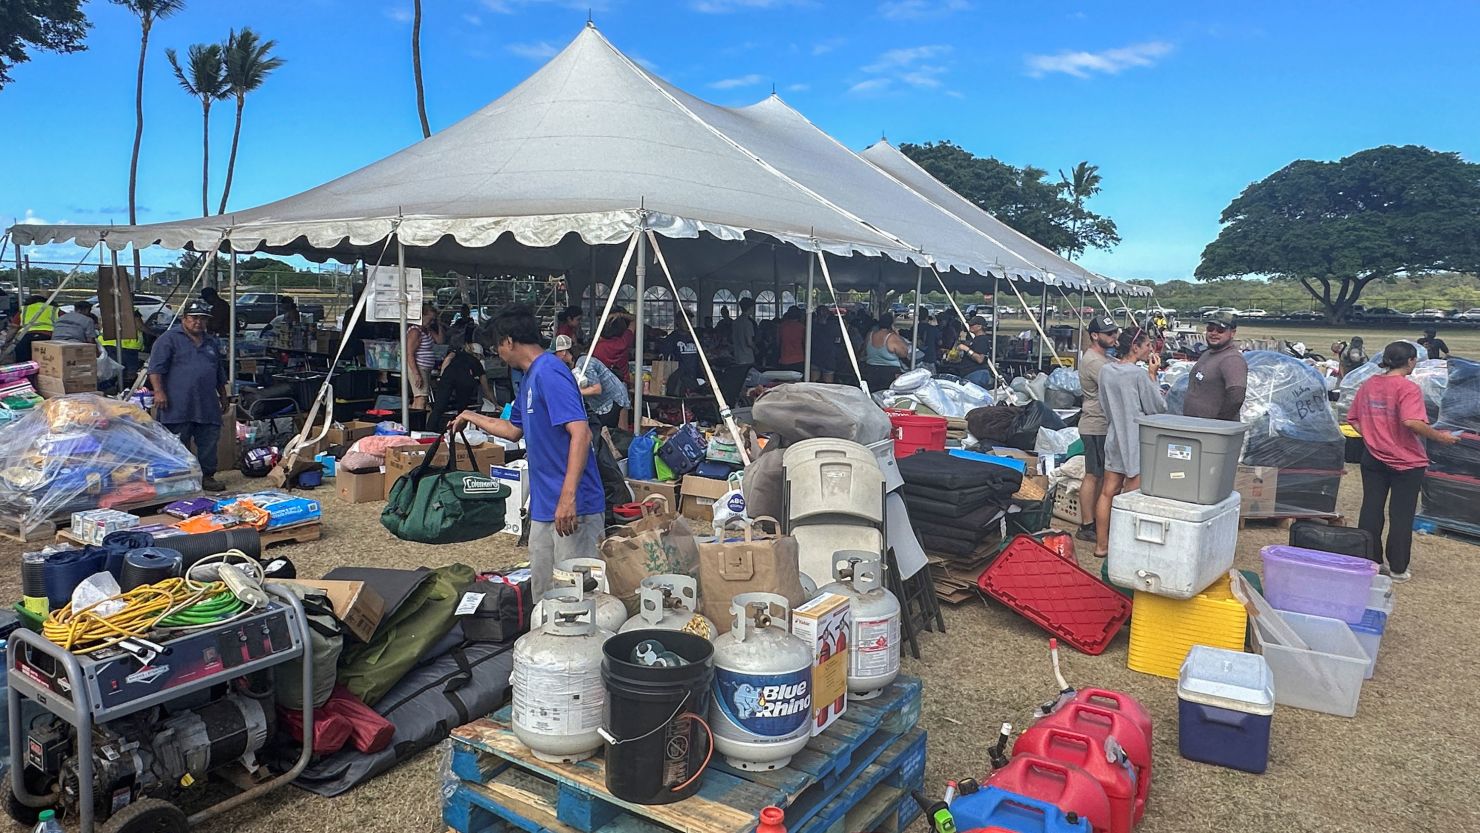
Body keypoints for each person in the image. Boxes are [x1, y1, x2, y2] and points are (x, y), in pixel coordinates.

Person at [452, 305, 604, 598]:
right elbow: (513, 430)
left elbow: (581, 433)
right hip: (545, 506)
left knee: (577, 598)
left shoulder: (551, 372)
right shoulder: (530, 377)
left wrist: (568, 497)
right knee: (545, 594)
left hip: (574, 505)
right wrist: (471, 417)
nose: (497, 353)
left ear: (509, 341)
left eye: (497, 345)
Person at [1348, 341, 1458, 582]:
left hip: (1373, 457)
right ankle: (1398, 568)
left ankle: (1369, 561)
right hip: (1406, 461)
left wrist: (1374, 436)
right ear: (1410, 361)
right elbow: (1411, 421)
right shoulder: (1407, 388)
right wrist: (1440, 437)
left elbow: (1354, 419)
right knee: (1401, 514)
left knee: (1371, 509)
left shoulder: (1369, 385)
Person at [1094, 330, 1166, 558]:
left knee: (1107, 492)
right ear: (1135, 347)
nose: (1149, 350)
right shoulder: (1138, 375)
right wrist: (1153, 376)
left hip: (1114, 434)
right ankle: (1121, 546)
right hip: (1135, 437)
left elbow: (1104, 404)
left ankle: (1101, 545)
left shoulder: (1106, 370)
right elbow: (1157, 408)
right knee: (1128, 496)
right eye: (1146, 346)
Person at [148, 301, 229, 492]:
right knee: (177, 443)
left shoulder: (210, 342)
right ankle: (179, 480)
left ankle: (207, 477)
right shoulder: (168, 339)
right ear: (184, 318)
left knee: (209, 441)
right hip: (177, 403)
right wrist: (159, 392)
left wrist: (223, 396)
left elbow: (218, 372)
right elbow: (155, 369)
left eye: (203, 319)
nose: (198, 322)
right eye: (194, 318)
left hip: (206, 403)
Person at [1075, 315, 1121, 543]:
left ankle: (1094, 519)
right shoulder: (1094, 361)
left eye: (1115, 333)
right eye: (1109, 334)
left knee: (1101, 475)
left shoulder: (1103, 358)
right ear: (1095, 335)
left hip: (1101, 423)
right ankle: (1086, 524)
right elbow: (1115, 381)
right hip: (1095, 424)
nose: (1114, 337)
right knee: (1093, 475)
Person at [1183, 311, 1248, 421]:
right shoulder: (1208, 353)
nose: (1214, 333)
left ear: (1232, 333)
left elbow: (1236, 396)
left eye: (1220, 330)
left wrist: (1218, 423)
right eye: (1210, 329)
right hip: (1195, 427)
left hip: (1213, 432)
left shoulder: (1232, 359)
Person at [557, 335, 629, 430]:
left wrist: (574, 391)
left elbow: (596, 389)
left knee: (607, 433)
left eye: (555, 353)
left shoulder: (583, 363)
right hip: (606, 402)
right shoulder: (574, 365)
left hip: (613, 401)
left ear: (563, 352)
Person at [431, 342, 497, 432]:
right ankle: (459, 430)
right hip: (465, 380)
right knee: (462, 409)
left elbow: (447, 359)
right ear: (478, 355)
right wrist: (495, 404)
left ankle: (431, 430)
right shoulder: (477, 363)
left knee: (439, 406)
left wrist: (442, 376)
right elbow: (486, 389)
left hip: (448, 375)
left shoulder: (457, 354)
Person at [406, 302, 443, 410]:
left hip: (426, 368)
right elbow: (410, 353)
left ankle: (416, 418)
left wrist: (439, 324)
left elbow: (440, 341)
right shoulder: (415, 331)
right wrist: (416, 374)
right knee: (421, 397)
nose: (431, 322)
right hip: (418, 367)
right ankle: (417, 421)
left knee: (422, 398)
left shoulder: (427, 330)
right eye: (430, 319)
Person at [863, 312, 911, 391]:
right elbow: (904, 353)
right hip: (889, 374)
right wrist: (897, 334)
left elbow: (864, 351)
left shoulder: (870, 335)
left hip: (871, 371)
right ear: (891, 324)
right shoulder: (892, 338)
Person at [592, 313, 635, 384]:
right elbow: (634, 319)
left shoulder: (597, 346)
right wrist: (620, 314)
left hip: (603, 384)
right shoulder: (624, 342)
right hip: (621, 382)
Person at [961, 316, 997, 389]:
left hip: (977, 374)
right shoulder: (977, 339)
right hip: (973, 374)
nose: (969, 326)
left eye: (972, 325)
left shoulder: (982, 340)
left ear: (979, 327)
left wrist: (966, 349)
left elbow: (980, 359)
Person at [16, 294, 55, 362]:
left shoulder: (24, 309)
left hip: (25, 337)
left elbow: (13, 328)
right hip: (47, 337)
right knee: (47, 362)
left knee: (24, 363)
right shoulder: (53, 309)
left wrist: (7, 342)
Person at [810, 306, 837, 382]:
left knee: (814, 385)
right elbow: (837, 341)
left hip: (815, 357)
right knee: (828, 387)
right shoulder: (833, 327)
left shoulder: (811, 326)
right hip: (829, 358)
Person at [730, 297, 757, 373]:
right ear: (750, 308)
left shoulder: (735, 322)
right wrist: (756, 349)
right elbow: (749, 342)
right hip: (747, 357)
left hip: (737, 356)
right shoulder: (748, 323)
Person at [776, 306, 806, 373]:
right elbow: (805, 343)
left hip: (784, 358)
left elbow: (778, 342)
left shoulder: (781, 327)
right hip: (799, 358)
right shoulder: (802, 327)